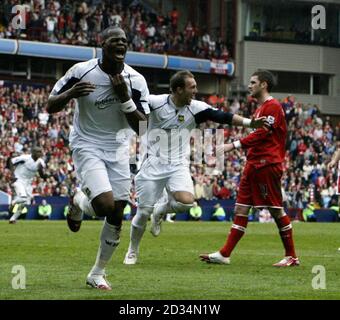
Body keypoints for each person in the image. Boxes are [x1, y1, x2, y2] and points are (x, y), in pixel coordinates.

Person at [123, 69, 269, 265]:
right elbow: (133, 108)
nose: (196, 91)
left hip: (177, 164)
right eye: (192, 87)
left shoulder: (196, 107)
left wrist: (250, 123)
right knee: (142, 213)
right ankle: (133, 250)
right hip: (152, 164)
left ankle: (160, 211)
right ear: (178, 89)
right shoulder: (154, 103)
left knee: (186, 202)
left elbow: (222, 116)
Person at [47, 26, 150, 290]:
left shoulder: (135, 80)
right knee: (104, 205)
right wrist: (71, 93)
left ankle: (97, 273)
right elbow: (51, 104)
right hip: (87, 144)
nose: (121, 45)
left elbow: (143, 128)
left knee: (118, 211)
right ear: (101, 43)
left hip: (117, 148)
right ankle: (80, 201)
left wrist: (125, 99)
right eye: (115, 40)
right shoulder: (81, 71)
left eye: (125, 41)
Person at [200, 70, 300, 267]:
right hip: (253, 164)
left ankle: (292, 256)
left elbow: (262, 134)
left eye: (253, 82)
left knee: (275, 209)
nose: (249, 85)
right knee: (241, 208)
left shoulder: (272, 106)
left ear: (263, 84)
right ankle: (224, 254)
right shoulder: (260, 108)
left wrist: (232, 145)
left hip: (266, 164)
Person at [8, 147, 46, 224]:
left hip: (28, 184)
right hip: (18, 179)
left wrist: (42, 171)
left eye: (41, 152)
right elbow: (11, 161)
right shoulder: (25, 158)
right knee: (23, 198)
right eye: (38, 152)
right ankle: (13, 202)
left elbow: (42, 175)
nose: (40, 153)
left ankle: (13, 219)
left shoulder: (41, 162)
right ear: (33, 152)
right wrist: (12, 174)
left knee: (25, 203)